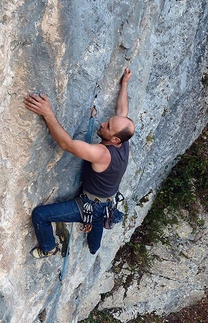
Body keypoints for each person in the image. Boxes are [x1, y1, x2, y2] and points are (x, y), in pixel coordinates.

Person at [24, 68, 135, 258]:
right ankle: (94, 248)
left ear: (116, 140)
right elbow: (122, 111)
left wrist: (47, 113)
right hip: (107, 201)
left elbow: (66, 144)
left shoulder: (102, 154)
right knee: (96, 229)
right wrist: (124, 84)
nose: (102, 124)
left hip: (90, 204)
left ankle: (49, 248)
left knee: (40, 216)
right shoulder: (123, 140)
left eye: (107, 127)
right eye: (107, 121)